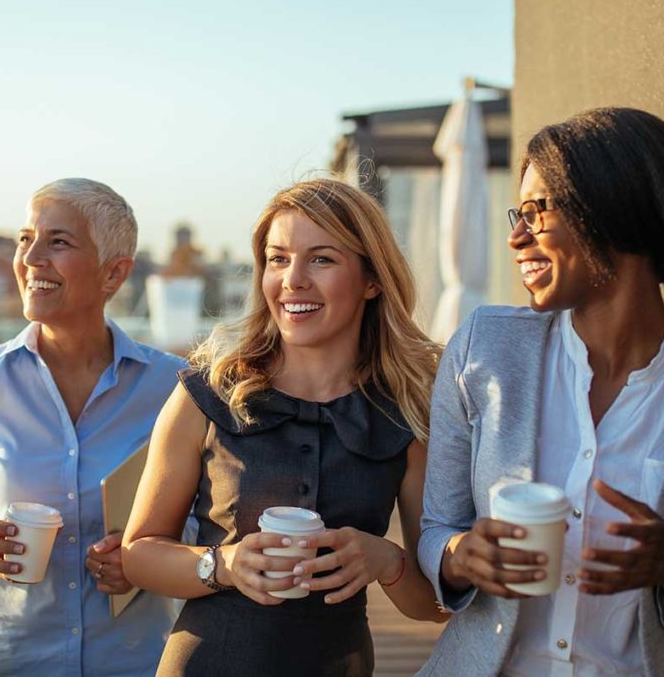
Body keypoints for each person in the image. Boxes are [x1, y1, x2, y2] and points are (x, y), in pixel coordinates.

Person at [418, 107, 664, 676]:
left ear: (610, 208)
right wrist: (461, 558)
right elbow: (437, 530)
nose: (515, 236)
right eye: (516, 213)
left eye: (535, 212)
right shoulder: (483, 349)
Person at [122, 178, 447, 677]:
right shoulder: (205, 396)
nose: (292, 279)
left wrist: (387, 560)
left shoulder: (406, 414)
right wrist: (224, 565)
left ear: (371, 280)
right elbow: (138, 555)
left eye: (321, 258)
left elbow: (431, 604)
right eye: (278, 258)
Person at [0, 178, 186, 676]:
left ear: (113, 273)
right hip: (9, 661)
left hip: (134, 662)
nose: (31, 258)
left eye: (58, 241)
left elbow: (207, 516)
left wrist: (146, 563)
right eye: (25, 238)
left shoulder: (172, 387)